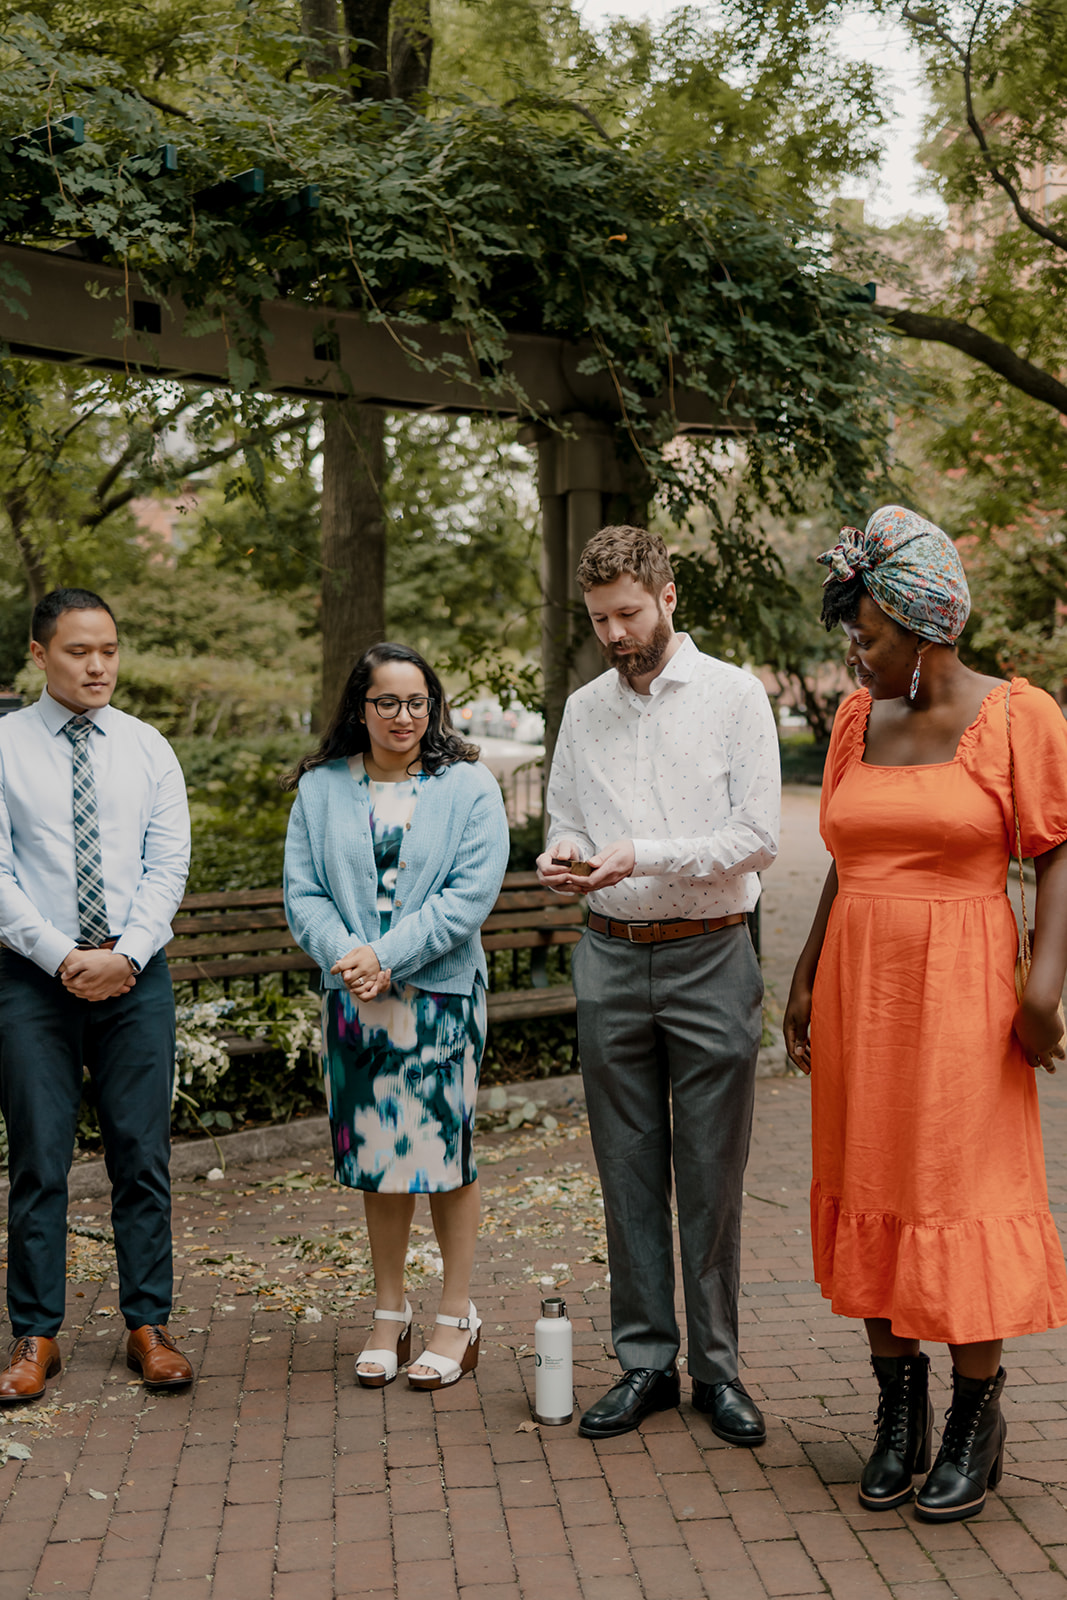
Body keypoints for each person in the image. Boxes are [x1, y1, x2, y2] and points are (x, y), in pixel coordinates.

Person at [784, 505, 1067, 1523]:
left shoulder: (1017, 716)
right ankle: (895, 1411)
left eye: (866, 635)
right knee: (870, 1176)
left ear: (923, 629)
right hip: (863, 983)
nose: (853, 654)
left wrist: (1043, 992)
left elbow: (1052, 847)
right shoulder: (859, 723)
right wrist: (806, 970)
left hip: (962, 992)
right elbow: (845, 852)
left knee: (952, 1187)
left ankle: (972, 1414)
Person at [536, 525, 780, 1442]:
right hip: (607, 951)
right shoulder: (583, 707)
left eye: (628, 613)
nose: (614, 632)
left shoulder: (732, 696)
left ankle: (717, 1371)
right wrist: (562, 856)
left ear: (668, 597)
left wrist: (649, 852)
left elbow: (757, 834)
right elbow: (564, 817)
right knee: (626, 1167)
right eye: (599, 619)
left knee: (712, 1172)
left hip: (712, 951)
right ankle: (645, 1364)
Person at [283, 643, 509, 1391]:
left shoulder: (468, 785)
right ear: (359, 707)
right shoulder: (320, 788)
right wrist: (350, 955)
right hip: (354, 996)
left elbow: (469, 896)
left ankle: (455, 1315)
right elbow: (303, 891)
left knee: (444, 1153)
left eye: (418, 702)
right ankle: (388, 1312)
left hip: (440, 997)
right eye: (387, 702)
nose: (404, 716)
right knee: (377, 1157)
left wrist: (387, 955)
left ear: (433, 707)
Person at [0, 588, 193, 1402]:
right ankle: (34, 1337)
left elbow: (167, 863)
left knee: (141, 1157)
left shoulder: (148, 749)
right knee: (40, 1159)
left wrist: (129, 955)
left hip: (135, 979)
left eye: (109, 650)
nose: (98, 665)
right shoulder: (3, 745)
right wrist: (59, 956)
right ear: (41, 655)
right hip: (30, 982)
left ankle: (148, 1324)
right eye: (79, 651)